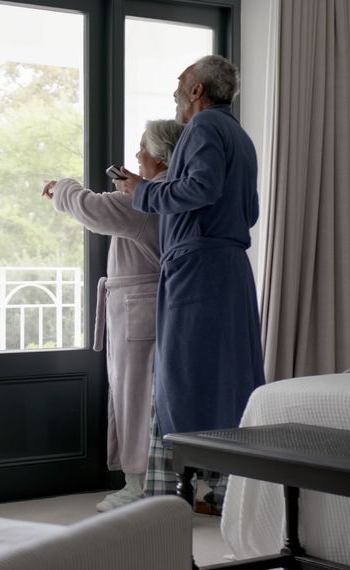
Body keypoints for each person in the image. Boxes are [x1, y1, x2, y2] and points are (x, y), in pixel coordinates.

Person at [113, 55, 265, 510]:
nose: (175, 91)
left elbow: (200, 189)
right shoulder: (240, 135)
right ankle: (225, 491)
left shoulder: (202, 130)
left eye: (180, 83)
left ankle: (165, 498)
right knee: (229, 375)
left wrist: (141, 190)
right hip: (230, 267)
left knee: (181, 376)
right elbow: (249, 211)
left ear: (197, 90)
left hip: (196, 268)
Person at [42, 119, 185, 512]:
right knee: (147, 395)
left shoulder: (145, 203)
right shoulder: (172, 197)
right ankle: (152, 480)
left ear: (160, 158)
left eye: (143, 149)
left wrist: (62, 186)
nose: (136, 157)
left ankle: (137, 484)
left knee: (134, 395)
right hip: (154, 306)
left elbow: (92, 208)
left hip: (138, 309)